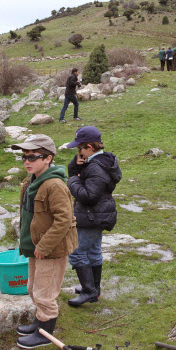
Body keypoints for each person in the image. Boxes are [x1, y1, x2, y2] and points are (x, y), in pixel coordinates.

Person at [12, 134, 78, 349]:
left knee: (44, 292)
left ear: (48, 158)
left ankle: (45, 334)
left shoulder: (54, 185)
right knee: (32, 288)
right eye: (24, 157)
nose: (27, 162)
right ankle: (39, 323)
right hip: (36, 248)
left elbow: (64, 220)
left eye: (33, 157)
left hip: (51, 249)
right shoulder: (32, 181)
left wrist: (44, 245)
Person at [65, 126, 122, 307]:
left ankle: (89, 291)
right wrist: (75, 166)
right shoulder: (98, 162)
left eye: (79, 148)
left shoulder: (96, 168)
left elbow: (88, 196)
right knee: (93, 252)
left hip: (91, 216)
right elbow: (80, 177)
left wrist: (72, 180)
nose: (78, 151)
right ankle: (94, 290)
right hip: (96, 215)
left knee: (76, 252)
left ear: (89, 146)